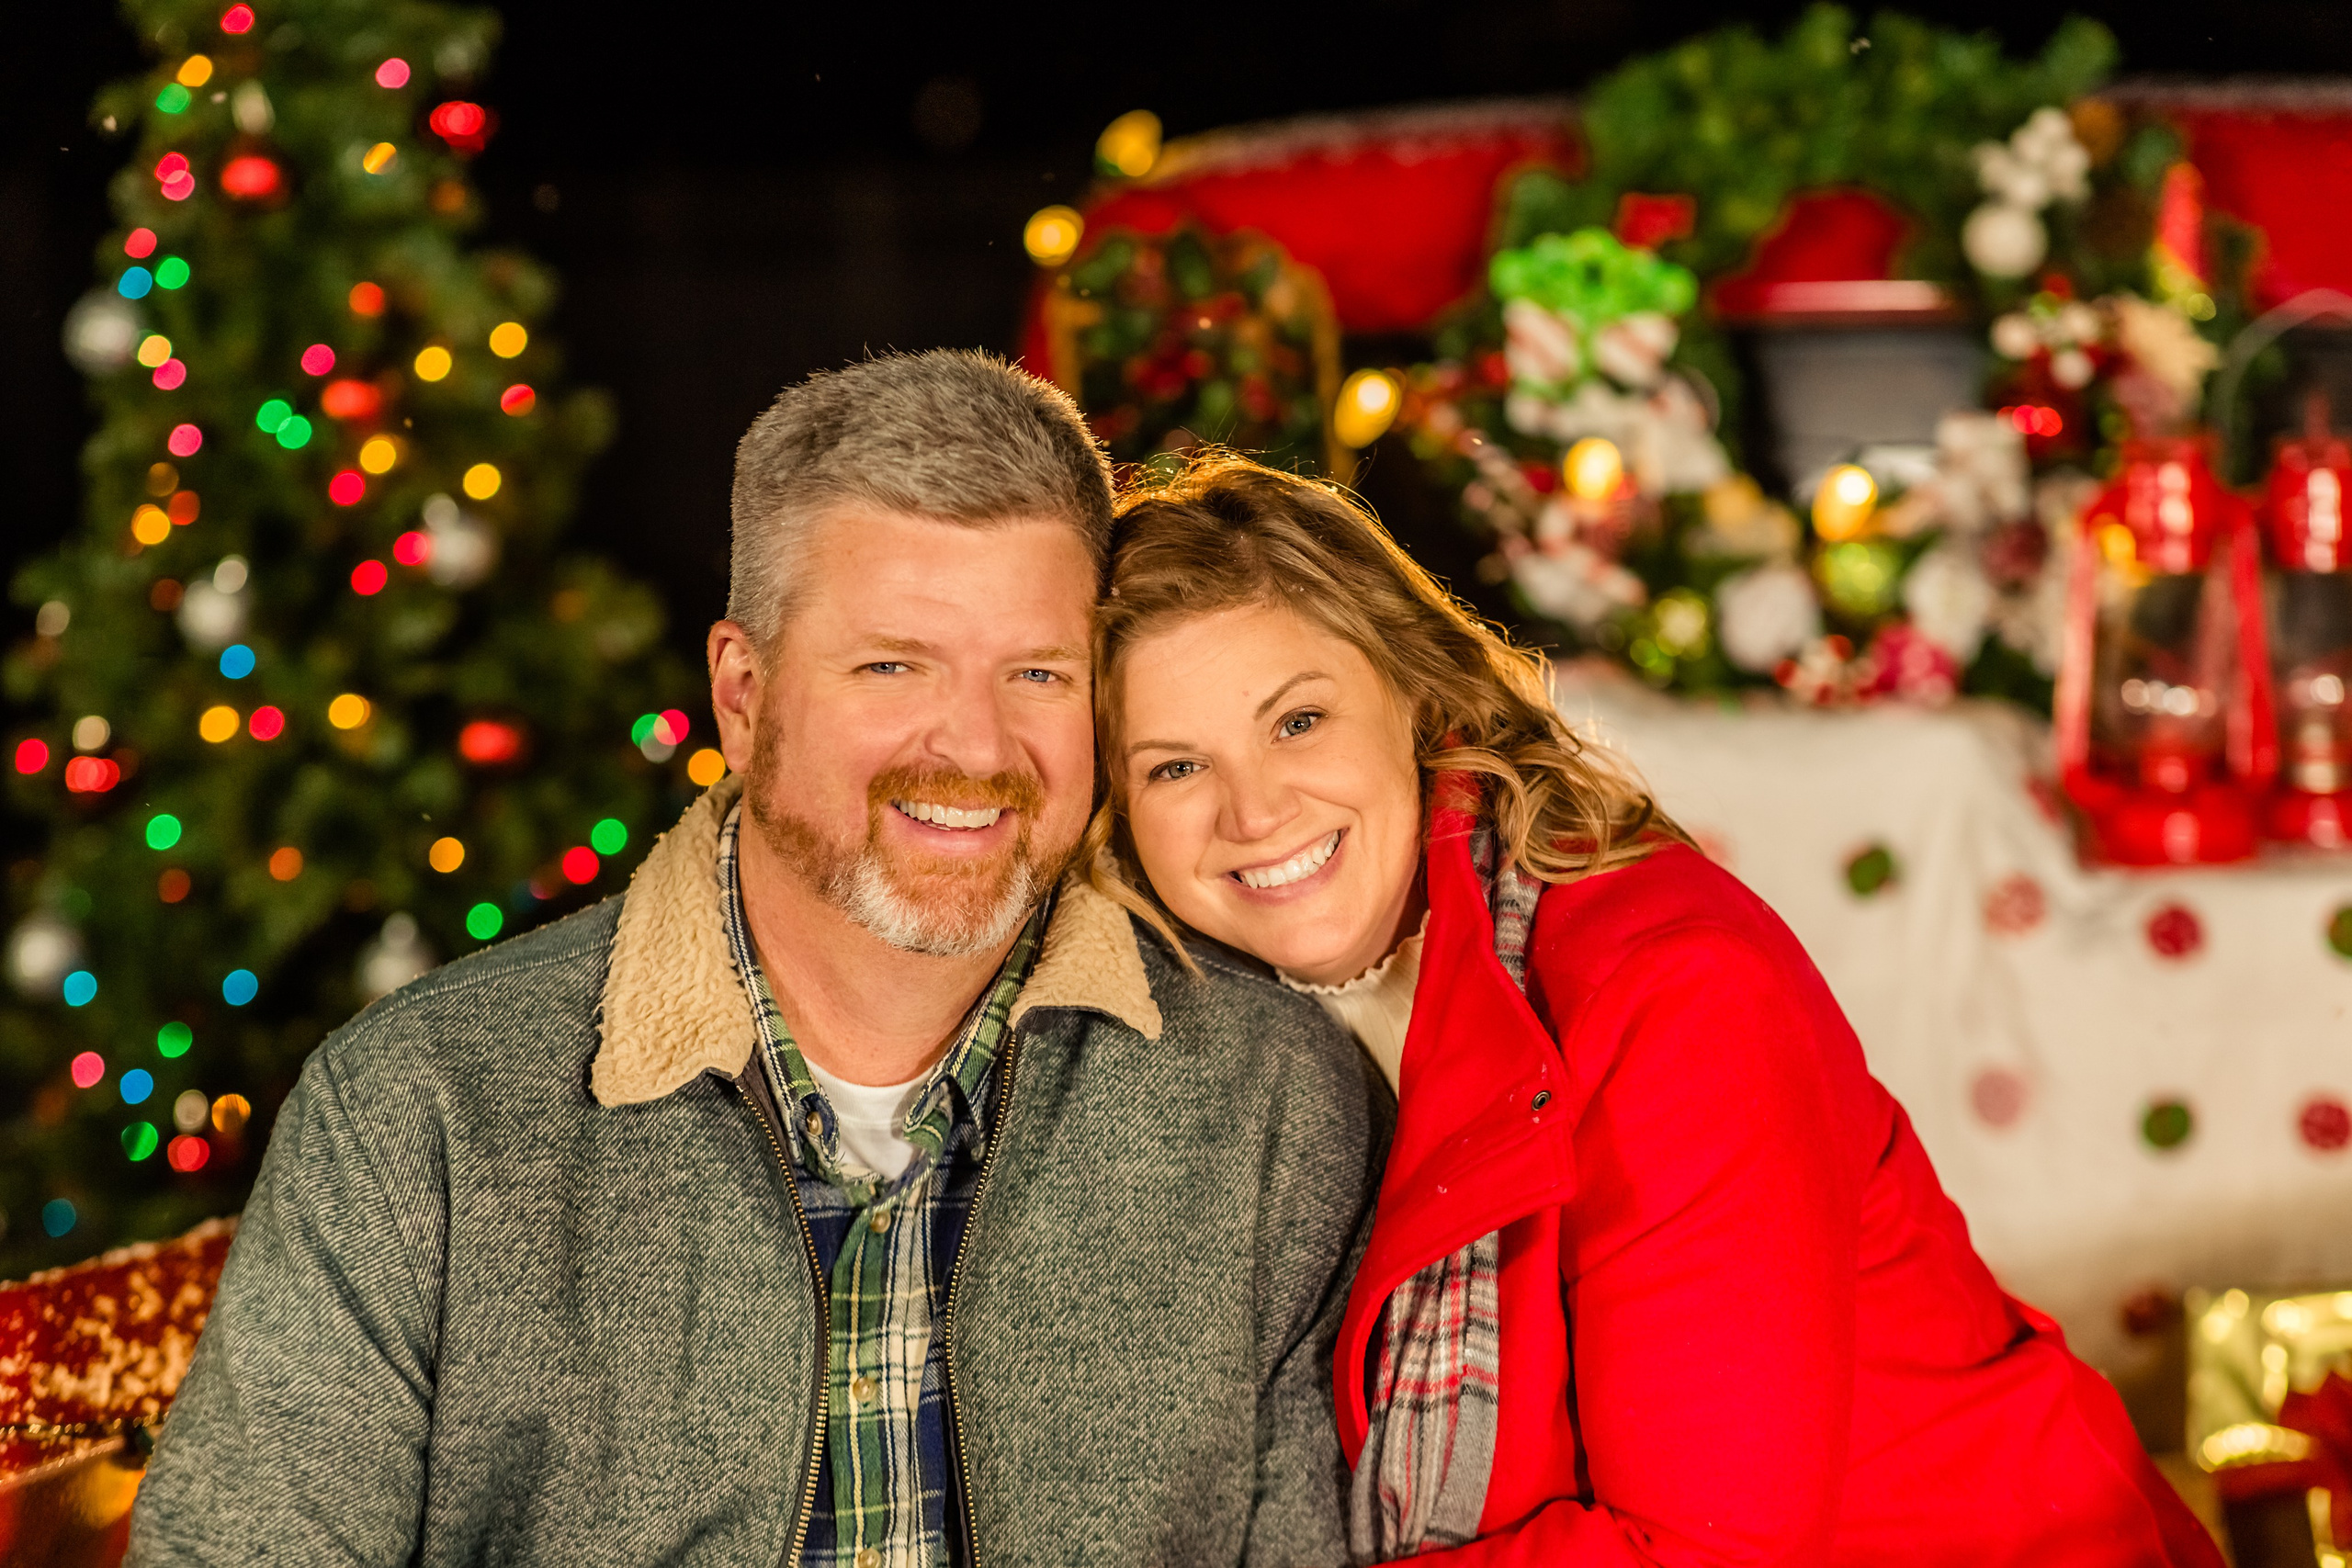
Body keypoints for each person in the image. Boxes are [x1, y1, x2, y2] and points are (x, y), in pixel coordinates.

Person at [128, 355, 1385, 1568]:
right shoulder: (425, 1112)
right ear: (742, 692)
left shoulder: (1267, 1102)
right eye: (893, 664)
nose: (976, 742)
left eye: (1038, 672)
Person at [1086, 450, 2224, 1568]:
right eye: (1174, 769)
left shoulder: (1669, 989)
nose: (1254, 810)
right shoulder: (1203, 1022)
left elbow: (1702, 1550)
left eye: (1297, 723)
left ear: (1417, 699)